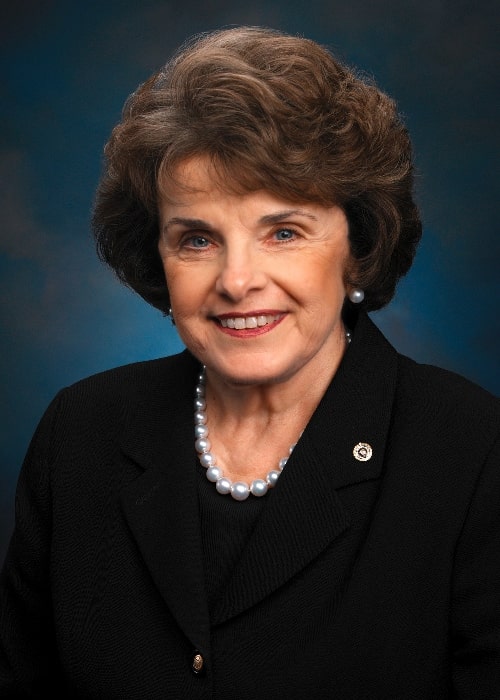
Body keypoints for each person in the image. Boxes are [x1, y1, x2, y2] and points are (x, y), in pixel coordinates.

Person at [0, 25, 499, 700]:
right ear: (159, 257)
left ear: (357, 244)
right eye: (198, 239)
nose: (238, 281)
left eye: (283, 232)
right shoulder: (82, 433)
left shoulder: (471, 452)